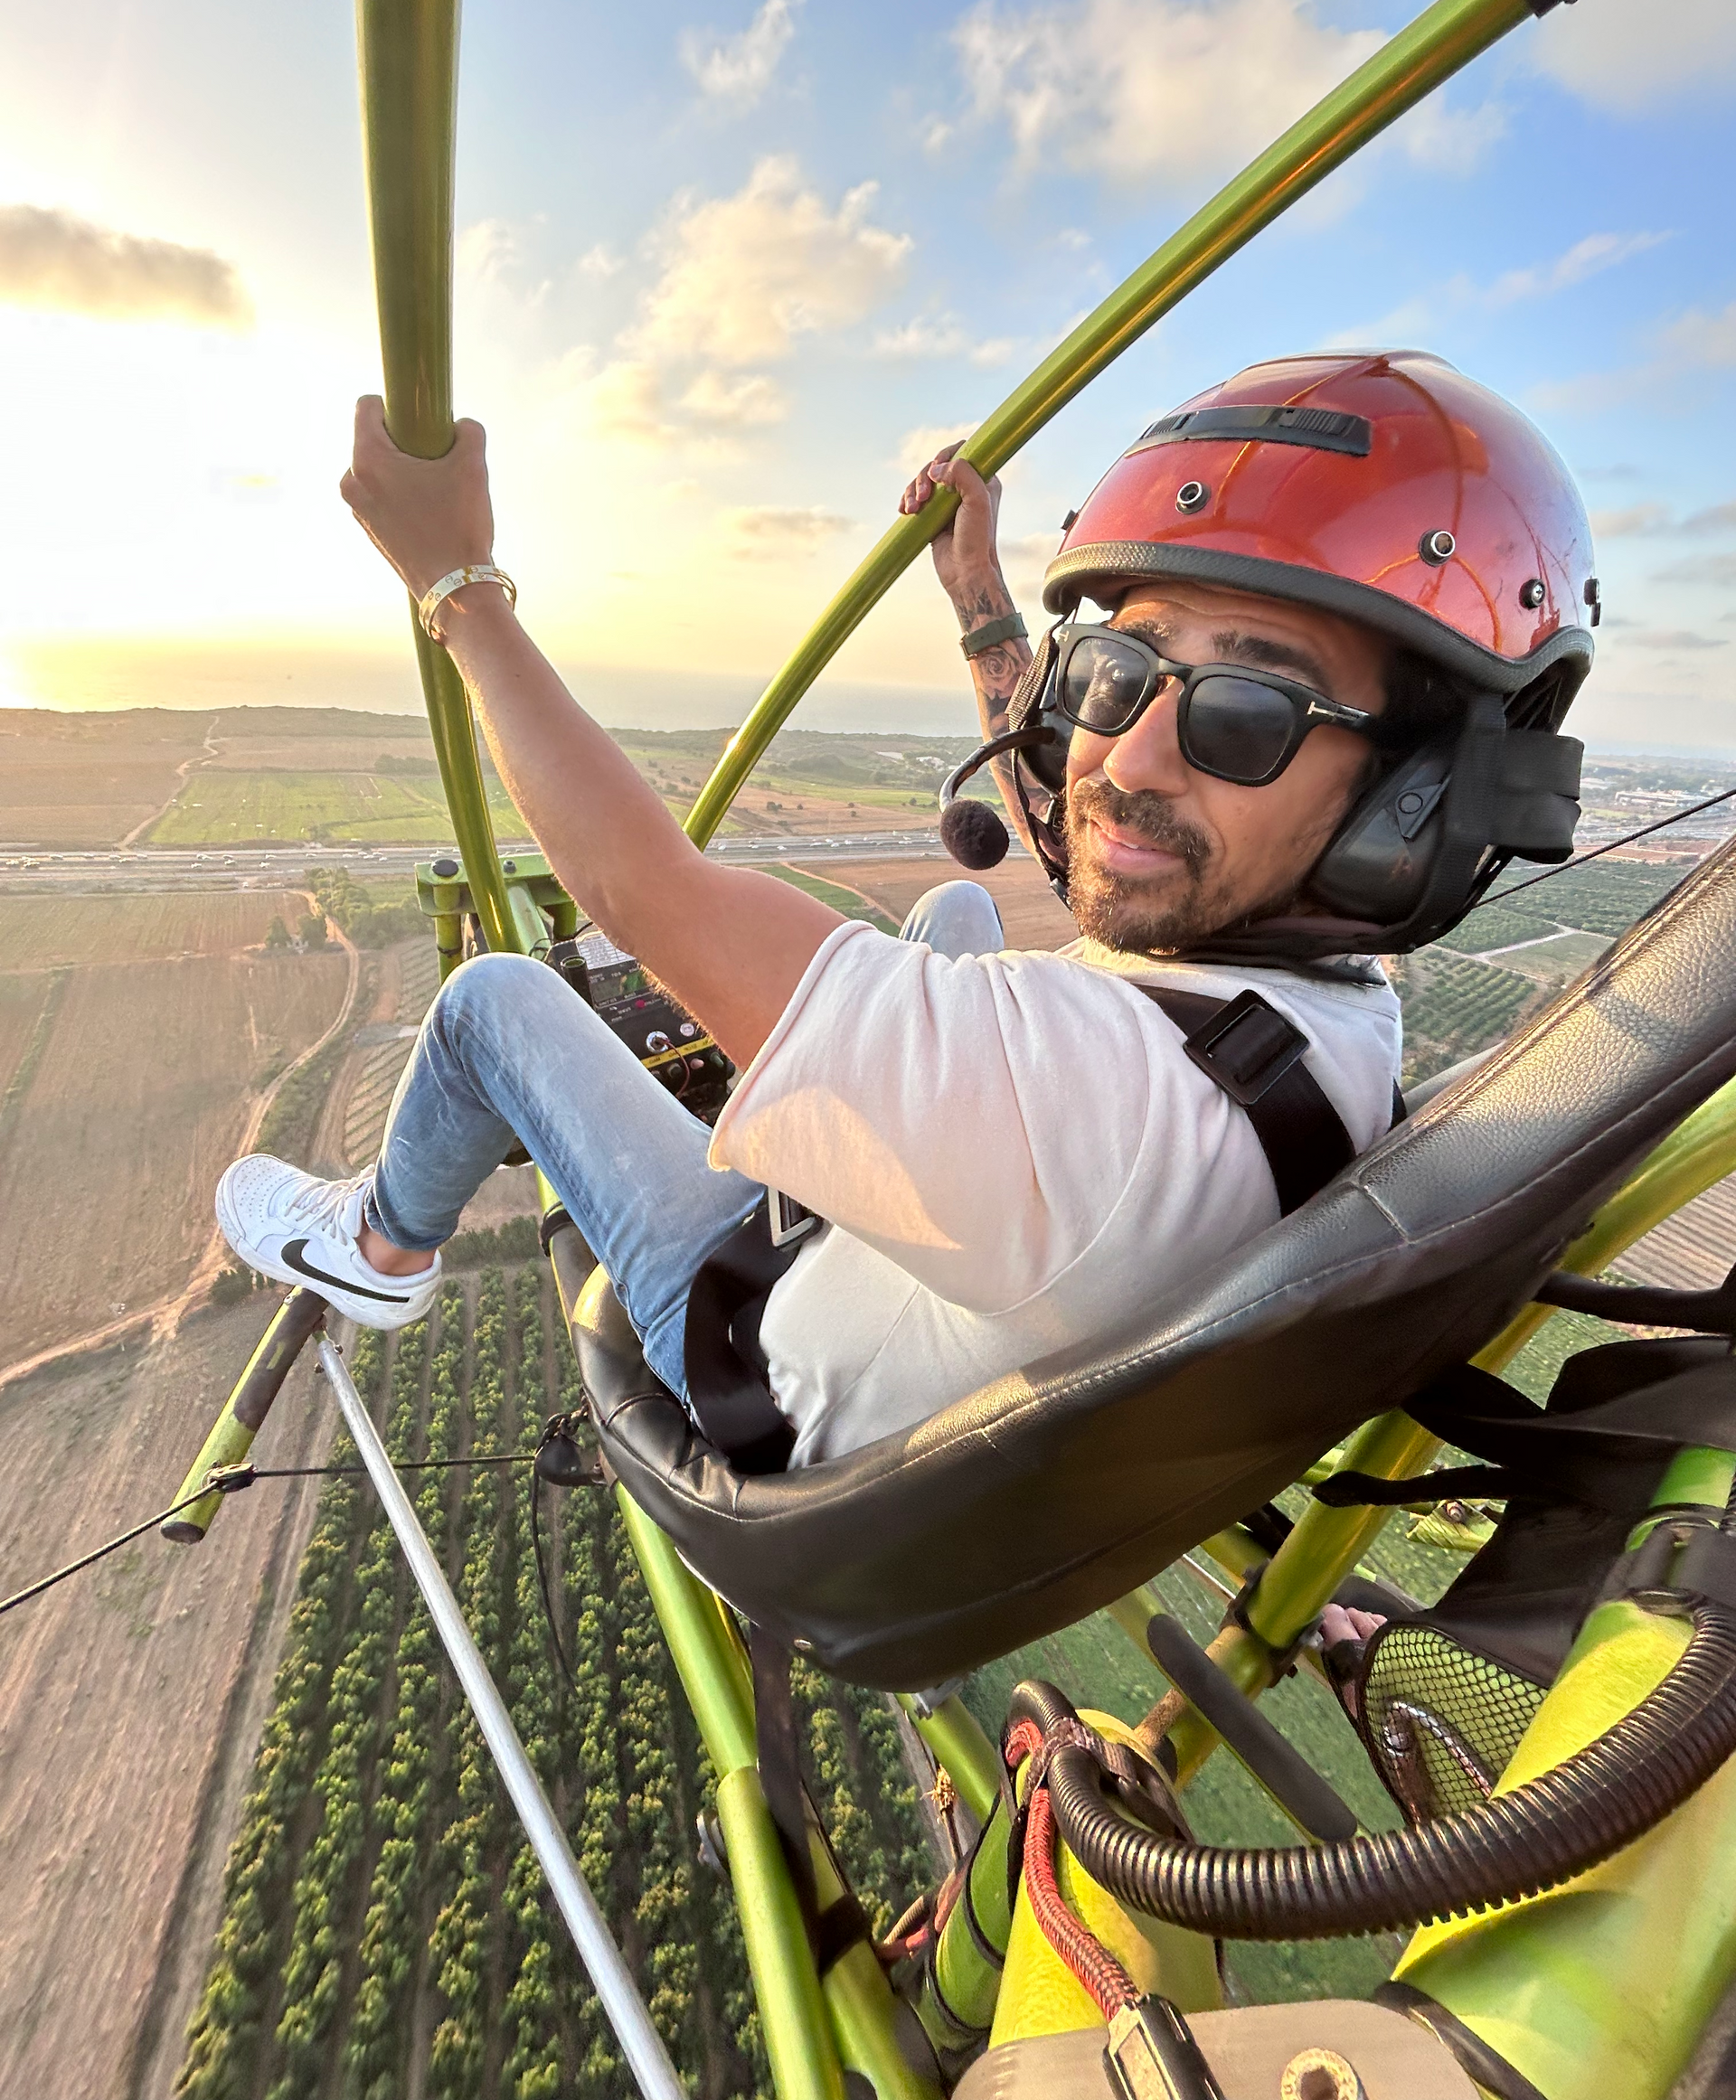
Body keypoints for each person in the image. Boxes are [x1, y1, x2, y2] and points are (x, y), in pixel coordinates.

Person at [216, 350, 1592, 1469]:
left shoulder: (1087, 1103)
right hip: (958, 1294)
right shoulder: (1326, 1027)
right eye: (1115, 674)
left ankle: (380, 1247)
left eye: (1247, 709)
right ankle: (804, 1089)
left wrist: (456, 586)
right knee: (957, 909)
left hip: (756, 1342)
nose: (1125, 757)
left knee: (494, 1002)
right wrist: (980, 594)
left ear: (1418, 793)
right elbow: (1076, 823)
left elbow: (640, 888)